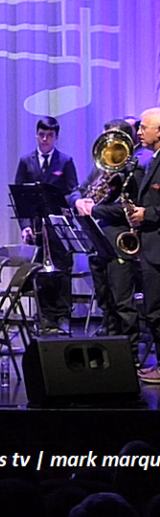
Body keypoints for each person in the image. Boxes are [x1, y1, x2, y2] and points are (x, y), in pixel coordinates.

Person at [72, 119, 141, 363]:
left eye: (112, 140)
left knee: (123, 304)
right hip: (97, 242)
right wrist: (78, 201)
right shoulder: (102, 167)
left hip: (119, 243)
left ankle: (130, 356)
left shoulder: (135, 170)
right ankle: (111, 354)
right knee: (106, 303)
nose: (107, 147)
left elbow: (129, 209)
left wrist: (96, 210)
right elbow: (78, 190)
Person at [14, 116, 78, 334]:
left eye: (49, 135)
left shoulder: (65, 161)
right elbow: (19, 198)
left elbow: (71, 190)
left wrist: (75, 205)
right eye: (41, 135)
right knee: (41, 272)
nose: (45, 139)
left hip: (58, 228)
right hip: (37, 226)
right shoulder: (26, 161)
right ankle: (45, 317)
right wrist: (25, 226)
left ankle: (62, 316)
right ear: (36, 135)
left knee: (61, 271)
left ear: (56, 137)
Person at [123, 108, 160, 383]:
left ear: (158, 132)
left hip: (157, 248)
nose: (138, 132)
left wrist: (147, 213)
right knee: (153, 310)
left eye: (143, 127)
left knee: (157, 310)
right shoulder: (151, 160)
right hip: (150, 245)